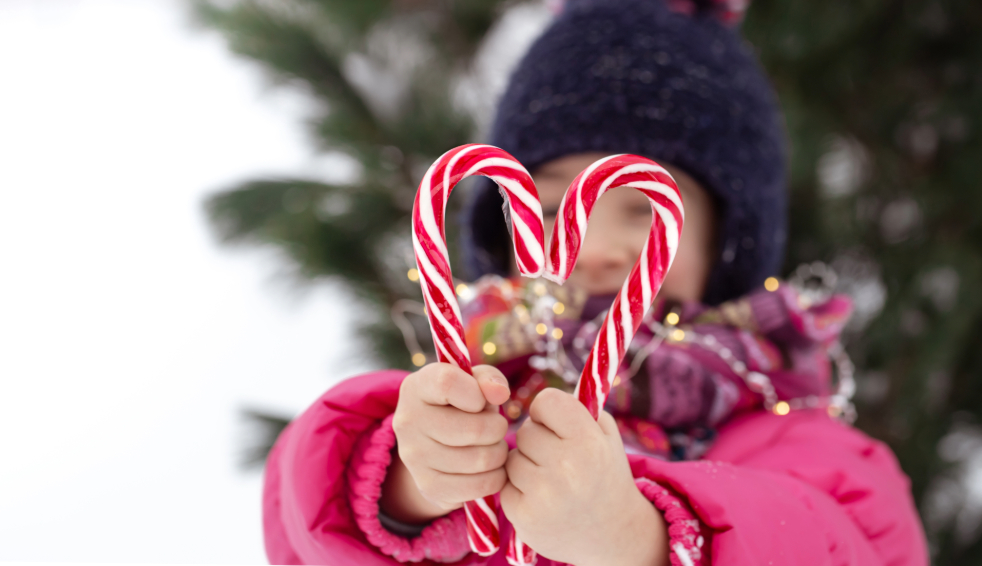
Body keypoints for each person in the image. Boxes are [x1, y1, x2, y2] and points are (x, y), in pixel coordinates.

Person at [261, 0, 930, 564]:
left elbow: (836, 544)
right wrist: (408, 486)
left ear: (724, 242)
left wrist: (636, 537)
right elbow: (300, 522)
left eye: (641, 210)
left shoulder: (803, 445)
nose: (598, 247)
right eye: (553, 209)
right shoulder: (462, 398)